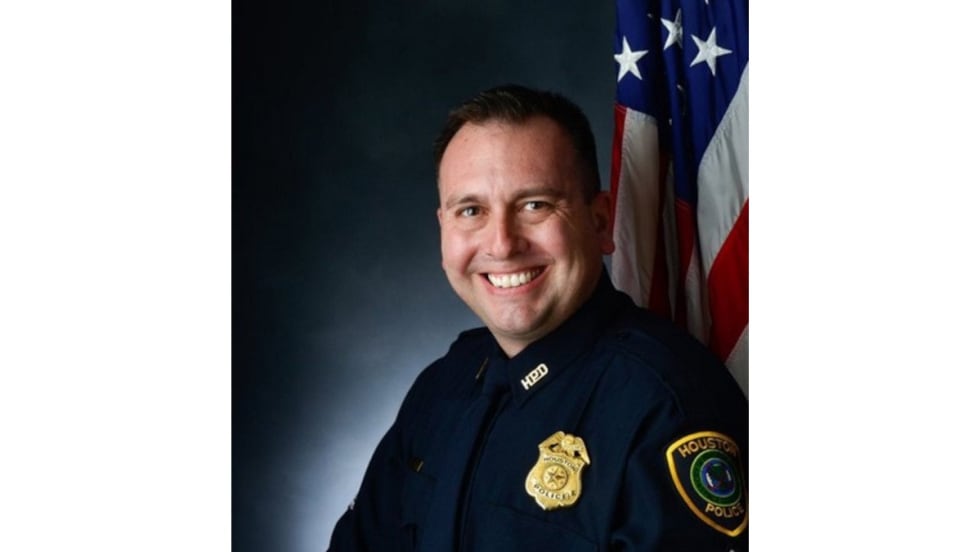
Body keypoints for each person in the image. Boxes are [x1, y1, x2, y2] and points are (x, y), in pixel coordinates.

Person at [326, 84, 748, 551]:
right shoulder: (442, 387)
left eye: (535, 205)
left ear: (600, 222)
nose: (502, 244)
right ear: (444, 227)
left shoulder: (667, 409)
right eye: (471, 210)